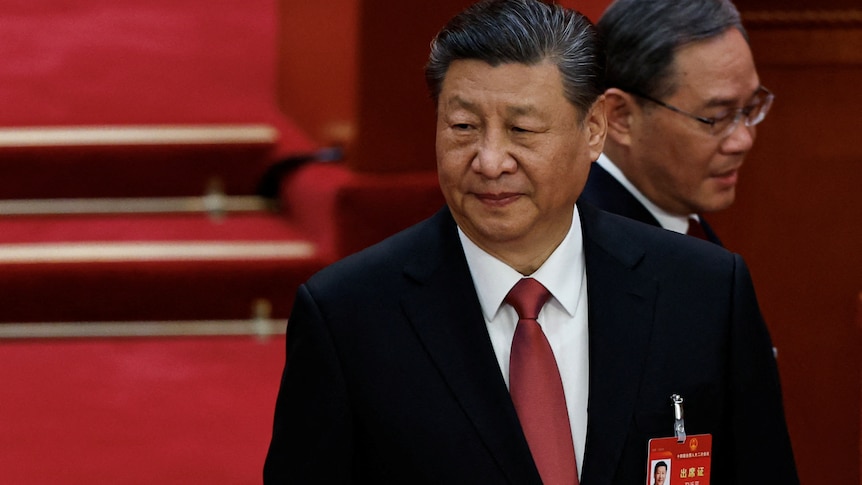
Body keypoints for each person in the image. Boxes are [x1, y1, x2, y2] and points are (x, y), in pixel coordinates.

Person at [264, 0, 798, 483]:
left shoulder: (705, 293)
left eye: (522, 131)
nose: (490, 161)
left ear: (594, 130)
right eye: (463, 127)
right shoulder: (348, 317)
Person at [580, 0, 774, 245]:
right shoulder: (585, 244)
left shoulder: (682, 224)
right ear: (620, 116)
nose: (743, 140)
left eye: (749, 108)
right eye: (716, 118)